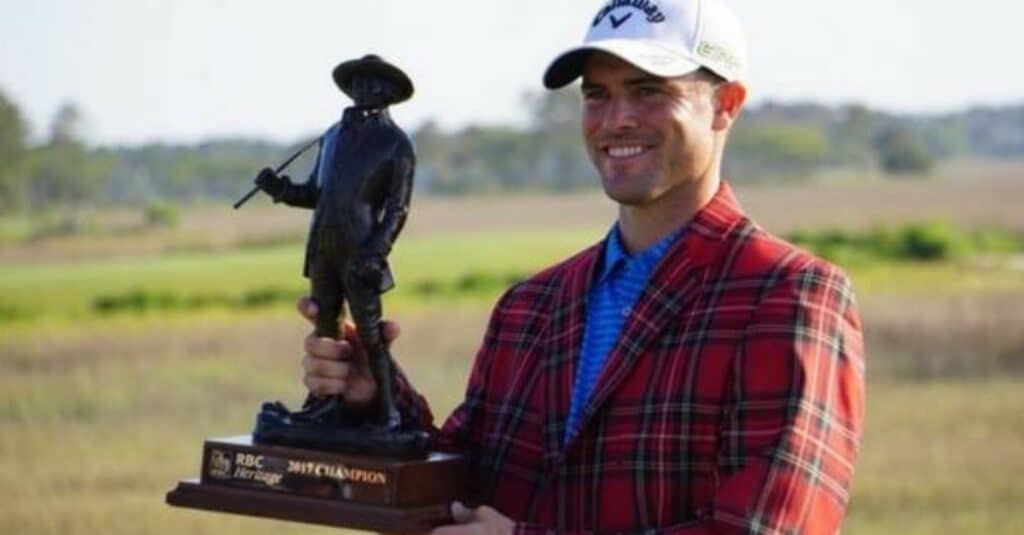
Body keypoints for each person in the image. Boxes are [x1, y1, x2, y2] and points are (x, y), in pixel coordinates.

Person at [299, 1, 865, 533]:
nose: (617, 119)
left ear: (727, 104)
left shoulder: (789, 296)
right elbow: (463, 488)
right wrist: (376, 399)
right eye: (597, 95)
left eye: (648, 91)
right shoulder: (530, 306)